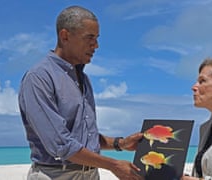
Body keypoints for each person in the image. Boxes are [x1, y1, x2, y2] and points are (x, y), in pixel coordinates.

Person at [18, 5, 143, 180]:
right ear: (65, 36)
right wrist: (114, 165)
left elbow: (83, 137)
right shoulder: (39, 77)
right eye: (89, 38)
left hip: (91, 174)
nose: (96, 45)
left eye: (97, 38)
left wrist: (120, 143)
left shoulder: (83, 80)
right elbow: (60, 144)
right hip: (55, 175)